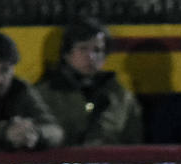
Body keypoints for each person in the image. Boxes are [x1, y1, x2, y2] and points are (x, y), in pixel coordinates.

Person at [36, 15, 143, 146]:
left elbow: (135, 142)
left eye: (97, 50)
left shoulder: (121, 97)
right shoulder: (42, 95)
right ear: (67, 53)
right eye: (83, 49)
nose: (91, 57)